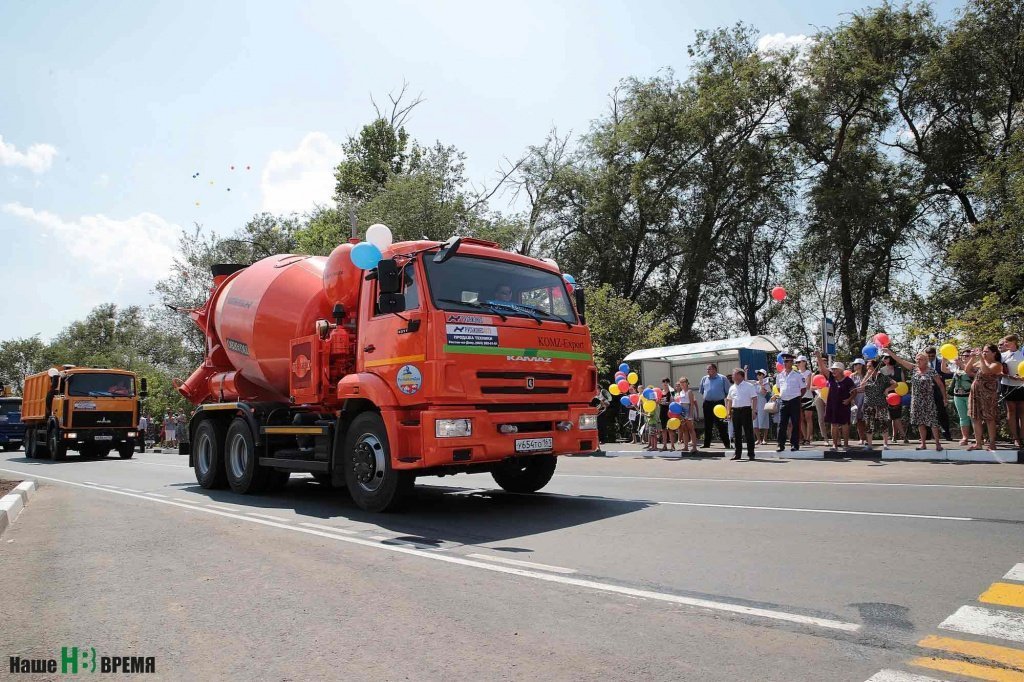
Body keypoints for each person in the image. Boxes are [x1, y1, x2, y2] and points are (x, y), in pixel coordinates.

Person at [886, 349, 947, 451]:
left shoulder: (931, 370)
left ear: (926, 360)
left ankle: (938, 443)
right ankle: (923, 444)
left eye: (921, 359)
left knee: (932, 422)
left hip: (928, 400)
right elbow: (900, 360)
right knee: (920, 422)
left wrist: (944, 397)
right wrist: (889, 352)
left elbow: (940, 384)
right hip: (916, 400)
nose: (918, 361)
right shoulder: (913, 368)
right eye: (917, 359)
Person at [966, 344, 1003, 451]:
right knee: (975, 418)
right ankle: (978, 443)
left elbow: (987, 371)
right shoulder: (981, 362)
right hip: (975, 393)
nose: (984, 353)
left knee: (989, 418)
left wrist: (981, 358)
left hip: (988, 395)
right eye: (983, 351)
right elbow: (967, 371)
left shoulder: (997, 364)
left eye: (987, 351)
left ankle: (992, 443)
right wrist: (972, 358)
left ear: (994, 353)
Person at [817, 353, 856, 450]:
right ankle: (834, 444)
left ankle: (846, 444)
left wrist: (849, 400)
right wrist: (818, 357)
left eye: (835, 369)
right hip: (832, 405)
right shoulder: (831, 378)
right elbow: (823, 369)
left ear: (841, 370)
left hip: (843, 405)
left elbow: (854, 392)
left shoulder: (848, 380)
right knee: (833, 424)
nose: (833, 371)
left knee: (844, 424)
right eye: (832, 369)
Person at [855, 358, 896, 449]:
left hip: (881, 404)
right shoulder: (866, 377)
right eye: (867, 366)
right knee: (869, 424)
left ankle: (885, 443)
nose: (868, 368)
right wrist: (867, 375)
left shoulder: (882, 377)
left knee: (883, 423)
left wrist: (887, 389)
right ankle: (869, 444)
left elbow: (895, 384)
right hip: (869, 404)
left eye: (869, 366)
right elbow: (861, 386)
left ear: (875, 367)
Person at [776, 351, 807, 452]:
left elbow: (803, 389)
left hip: (794, 401)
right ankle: (780, 444)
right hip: (783, 401)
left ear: (792, 363)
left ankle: (794, 444)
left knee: (795, 423)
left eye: (788, 361)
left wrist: (797, 397)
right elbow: (779, 388)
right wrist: (784, 395)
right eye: (784, 361)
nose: (785, 363)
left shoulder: (798, 375)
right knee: (782, 424)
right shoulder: (779, 376)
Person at [726, 368, 759, 460]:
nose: (732, 376)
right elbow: (729, 400)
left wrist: (754, 411)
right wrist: (728, 412)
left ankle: (751, 454)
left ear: (740, 375)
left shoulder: (749, 386)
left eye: (734, 374)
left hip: (746, 410)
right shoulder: (732, 387)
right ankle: (737, 454)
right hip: (735, 411)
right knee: (737, 433)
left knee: (748, 432)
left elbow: (754, 398)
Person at [925, 347, 953, 441]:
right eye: (928, 356)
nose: (930, 357)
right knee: (927, 414)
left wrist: (940, 376)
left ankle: (946, 434)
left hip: (939, 391)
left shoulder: (941, 362)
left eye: (932, 356)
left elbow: (950, 374)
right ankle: (927, 436)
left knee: (942, 414)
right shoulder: (923, 363)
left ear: (935, 354)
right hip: (927, 391)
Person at [1000, 334, 1024, 448]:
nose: (1004, 344)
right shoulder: (1003, 355)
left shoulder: (1022, 354)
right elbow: (999, 371)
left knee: (1022, 412)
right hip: (1007, 385)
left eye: (1006, 342)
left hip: (1022, 385)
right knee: (1011, 411)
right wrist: (1010, 377)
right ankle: (1015, 438)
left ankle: (1023, 436)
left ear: (1014, 341)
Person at [700, 364, 731, 449]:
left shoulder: (722, 378)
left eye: (709, 369)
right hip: (707, 403)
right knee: (707, 424)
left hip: (719, 404)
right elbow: (702, 391)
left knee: (721, 424)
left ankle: (727, 444)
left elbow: (728, 392)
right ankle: (706, 444)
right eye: (707, 369)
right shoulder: (704, 378)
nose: (707, 371)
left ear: (715, 370)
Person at [880, 354, 909, 444]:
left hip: (898, 395)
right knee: (895, 417)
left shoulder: (899, 370)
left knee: (895, 416)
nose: (884, 359)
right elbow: (881, 384)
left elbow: (903, 382)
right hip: (887, 395)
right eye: (883, 358)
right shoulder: (881, 370)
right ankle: (903, 436)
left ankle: (894, 436)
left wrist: (902, 392)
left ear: (891, 359)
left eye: (886, 357)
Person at [951, 349, 975, 446]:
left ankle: (979, 437)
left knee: (974, 417)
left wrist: (961, 365)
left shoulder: (975, 367)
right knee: (963, 417)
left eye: (967, 356)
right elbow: (944, 370)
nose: (965, 357)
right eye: (963, 355)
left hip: (970, 395)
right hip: (958, 395)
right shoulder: (956, 367)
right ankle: (965, 437)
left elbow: (970, 374)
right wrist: (944, 358)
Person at [674, 377, 699, 454]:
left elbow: (692, 404)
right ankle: (686, 447)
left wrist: (690, 414)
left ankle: (694, 447)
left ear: (687, 383)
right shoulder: (680, 392)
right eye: (681, 382)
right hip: (682, 411)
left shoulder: (689, 392)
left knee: (691, 429)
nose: (682, 384)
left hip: (688, 410)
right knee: (684, 430)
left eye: (683, 382)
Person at [796, 356, 815, 445]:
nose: (798, 364)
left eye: (799, 362)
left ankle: (808, 438)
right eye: (797, 362)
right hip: (798, 397)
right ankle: (804, 437)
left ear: (804, 362)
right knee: (800, 418)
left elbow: (807, 386)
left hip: (807, 396)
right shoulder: (796, 373)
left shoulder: (808, 372)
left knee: (808, 418)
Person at [850, 359, 867, 445]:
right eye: (854, 364)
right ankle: (862, 438)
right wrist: (851, 399)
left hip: (867, 397)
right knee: (859, 419)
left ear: (862, 365)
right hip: (856, 398)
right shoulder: (852, 376)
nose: (855, 365)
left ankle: (868, 438)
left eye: (857, 364)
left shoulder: (868, 375)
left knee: (867, 418)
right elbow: (850, 388)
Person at [658, 378, 676, 451]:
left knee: (670, 429)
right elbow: (658, 401)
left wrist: (666, 403)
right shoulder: (661, 392)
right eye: (664, 382)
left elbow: (673, 401)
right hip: (662, 411)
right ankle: (664, 445)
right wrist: (659, 402)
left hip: (669, 412)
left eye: (666, 382)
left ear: (669, 383)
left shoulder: (672, 391)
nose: (665, 383)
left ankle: (672, 445)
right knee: (663, 429)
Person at [754, 369, 771, 445]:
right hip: (754, 402)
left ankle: (764, 439)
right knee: (755, 422)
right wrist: (746, 371)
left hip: (762, 402)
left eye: (760, 374)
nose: (758, 375)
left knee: (764, 420)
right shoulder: (755, 383)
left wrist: (761, 384)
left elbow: (764, 392)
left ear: (763, 375)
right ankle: (758, 439)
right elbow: (746, 381)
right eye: (758, 374)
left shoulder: (766, 383)